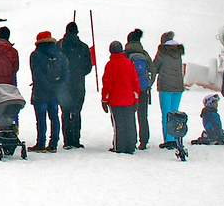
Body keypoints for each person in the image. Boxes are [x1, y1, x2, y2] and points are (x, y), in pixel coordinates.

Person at [28, 31, 67, 152]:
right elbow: (66, 74)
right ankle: (54, 143)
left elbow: (37, 75)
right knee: (54, 117)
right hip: (55, 93)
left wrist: (46, 85)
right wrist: (58, 87)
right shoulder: (60, 55)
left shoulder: (36, 55)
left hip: (40, 92)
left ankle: (40, 144)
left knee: (41, 118)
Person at [58, 21, 94, 149]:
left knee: (65, 112)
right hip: (78, 83)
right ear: (77, 32)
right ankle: (76, 139)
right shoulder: (84, 47)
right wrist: (79, 73)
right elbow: (89, 67)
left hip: (64, 84)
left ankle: (67, 140)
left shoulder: (60, 45)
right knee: (77, 111)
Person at [101, 40, 140, 153]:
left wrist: (104, 100)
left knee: (118, 125)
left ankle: (119, 146)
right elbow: (135, 82)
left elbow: (107, 84)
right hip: (129, 99)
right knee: (129, 123)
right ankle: (131, 145)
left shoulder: (110, 65)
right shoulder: (129, 63)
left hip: (115, 100)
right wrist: (136, 99)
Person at [150, 32, 186, 149]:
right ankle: (176, 136)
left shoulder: (163, 52)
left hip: (166, 87)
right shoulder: (178, 52)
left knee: (166, 113)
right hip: (178, 86)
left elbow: (155, 67)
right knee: (175, 112)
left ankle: (169, 139)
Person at [124, 30, 154, 149]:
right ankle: (144, 141)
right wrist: (148, 84)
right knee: (143, 116)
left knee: (130, 115)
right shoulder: (144, 54)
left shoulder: (126, 54)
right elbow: (153, 69)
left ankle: (132, 139)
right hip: (143, 89)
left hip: (130, 90)